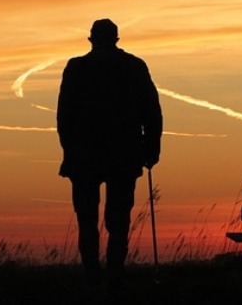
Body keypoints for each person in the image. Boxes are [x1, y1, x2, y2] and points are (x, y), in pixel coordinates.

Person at [57, 18, 162, 289]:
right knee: (119, 220)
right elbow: (152, 111)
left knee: (87, 220)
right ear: (116, 39)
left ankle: (92, 276)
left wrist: (69, 151)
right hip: (123, 155)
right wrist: (151, 148)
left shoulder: (76, 68)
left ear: (92, 40)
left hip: (85, 156)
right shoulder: (134, 67)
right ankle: (115, 275)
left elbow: (64, 116)